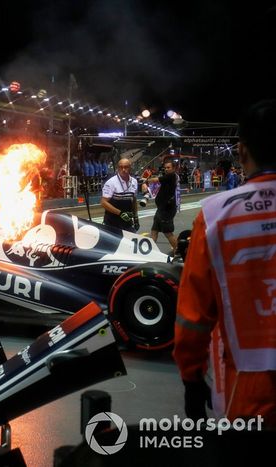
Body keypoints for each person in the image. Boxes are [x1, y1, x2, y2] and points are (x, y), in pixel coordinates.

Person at [174, 99, 276, 428]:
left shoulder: (217, 214)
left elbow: (193, 315)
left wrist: (191, 377)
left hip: (253, 387)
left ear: (242, 152)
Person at [142, 160, 179, 254]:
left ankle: (178, 252)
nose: (166, 169)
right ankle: (150, 252)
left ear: (173, 168)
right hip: (161, 209)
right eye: (165, 168)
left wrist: (145, 180)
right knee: (154, 230)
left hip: (167, 210)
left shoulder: (171, 176)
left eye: (168, 167)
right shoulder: (168, 176)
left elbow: (155, 180)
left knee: (168, 233)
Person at [100, 158, 139, 232]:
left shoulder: (134, 182)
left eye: (126, 167)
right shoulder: (111, 182)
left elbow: (134, 201)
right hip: (112, 223)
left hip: (127, 222)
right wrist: (120, 213)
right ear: (118, 168)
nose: (123, 169)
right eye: (121, 167)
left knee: (130, 243)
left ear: (130, 168)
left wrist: (136, 218)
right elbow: (103, 203)